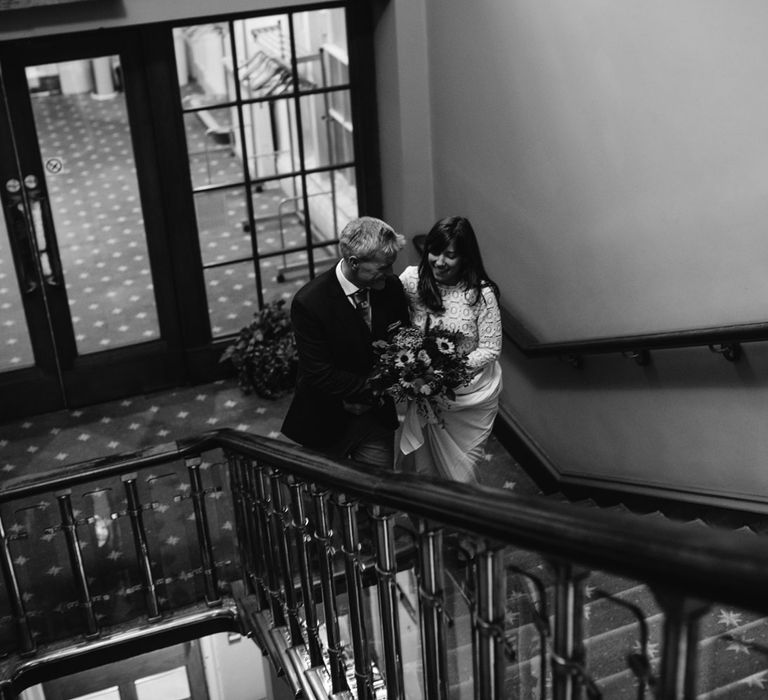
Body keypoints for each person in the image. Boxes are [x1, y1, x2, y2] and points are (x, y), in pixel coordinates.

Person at [281, 216, 410, 468]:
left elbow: (402, 341)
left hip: (376, 419)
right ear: (354, 262)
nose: (391, 274)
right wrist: (370, 390)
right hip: (326, 419)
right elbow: (319, 372)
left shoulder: (391, 287)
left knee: (377, 497)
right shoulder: (310, 302)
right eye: (383, 267)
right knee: (324, 497)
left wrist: (380, 390)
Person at [398, 216, 502, 483]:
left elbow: (490, 349)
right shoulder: (411, 281)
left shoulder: (481, 294)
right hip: (426, 394)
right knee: (422, 469)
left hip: (471, 398)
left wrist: (443, 372)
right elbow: (396, 326)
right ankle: (426, 524)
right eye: (434, 251)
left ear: (465, 258)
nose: (439, 261)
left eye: (450, 255)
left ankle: (466, 520)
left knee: (464, 474)